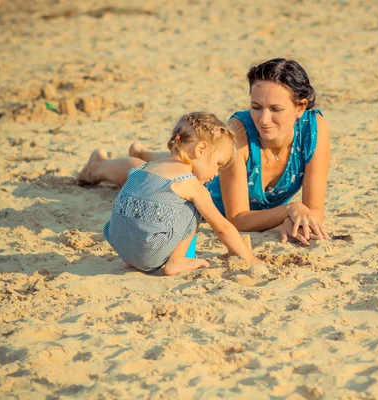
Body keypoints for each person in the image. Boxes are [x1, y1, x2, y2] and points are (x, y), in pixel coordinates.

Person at [77, 58, 330, 246]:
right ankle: (97, 167)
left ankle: (147, 152)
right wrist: (287, 212)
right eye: (256, 106)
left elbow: (313, 210)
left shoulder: (314, 129)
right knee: (146, 175)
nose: (263, 119)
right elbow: (238, 219)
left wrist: (292, 221)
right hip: (207, 190)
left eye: (276, 109)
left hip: (257, 211)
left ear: (300, 107)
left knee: (175, 158)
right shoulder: (239, 134)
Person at [103, 111, 261, 276]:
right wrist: (249, 257)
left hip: (120, 245)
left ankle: (135, 259)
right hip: (149, 254)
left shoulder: (148, 166)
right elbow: (222, 228)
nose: (216, 172)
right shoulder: (189, 183)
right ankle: (176, 261)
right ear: (201, 149)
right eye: (217, 163)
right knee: (195, 204)